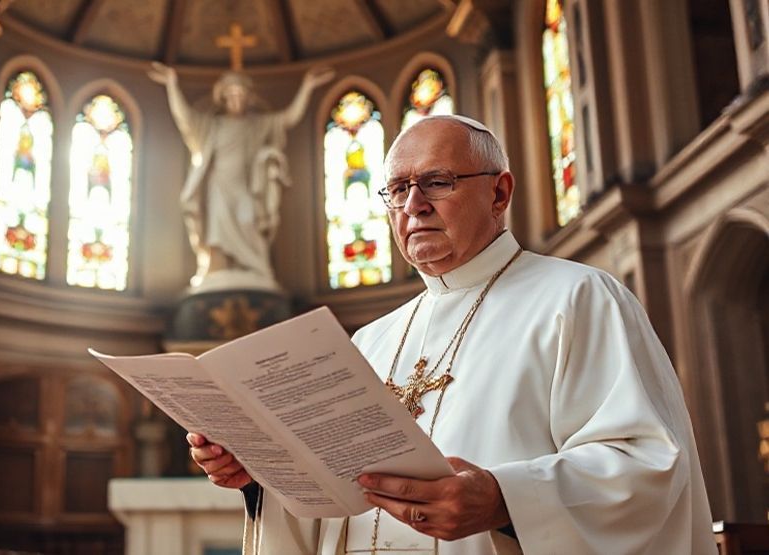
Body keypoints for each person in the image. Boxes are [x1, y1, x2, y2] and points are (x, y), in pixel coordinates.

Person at [187, 115, 715, 554]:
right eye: (397, 189)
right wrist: (262, 474)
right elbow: (332, 497)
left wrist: (505, 500)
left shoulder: (577, 298)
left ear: (499, 193)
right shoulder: (369, 341)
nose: (413, 204)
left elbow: (648, 468)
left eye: (437, 182)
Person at [148, 63, 334, 290]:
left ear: (248, 98)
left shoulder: (257, 125)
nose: (236, 100)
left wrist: (307, 86)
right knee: (217, 233)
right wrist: (172, 84)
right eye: (232, 95)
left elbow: (289, 117)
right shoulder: (212, 126)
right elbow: (184, 117)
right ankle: (217, 268)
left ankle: (256, 269)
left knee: (248, 223)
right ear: (223, 97)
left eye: (241, 95)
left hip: (246, 187)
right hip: (218, 187)